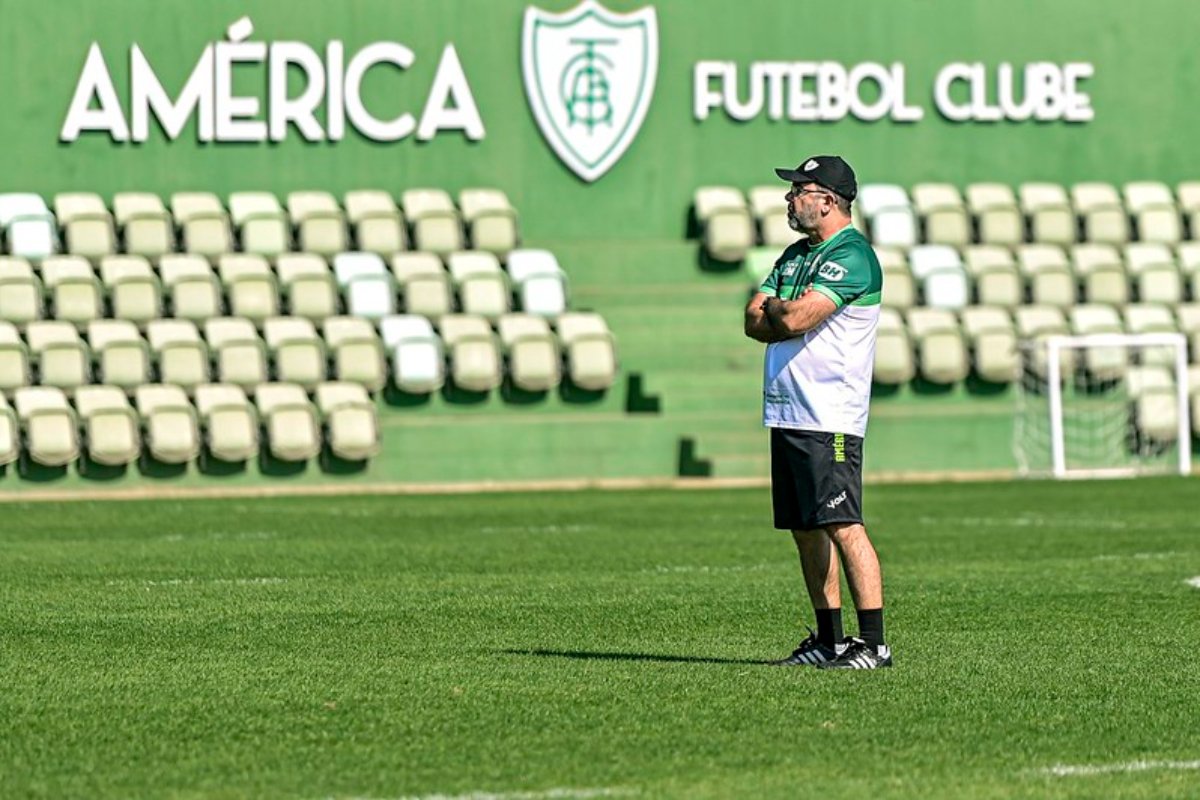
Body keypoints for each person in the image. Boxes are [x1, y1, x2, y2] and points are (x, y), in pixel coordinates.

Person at [743, 155, 892, 669]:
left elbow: (796, 316)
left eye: (798, 190)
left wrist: (783, 311)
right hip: (788, 412)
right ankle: (829, 641)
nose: (789, 198)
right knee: (806, 529)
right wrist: (783, 313)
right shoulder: (794, 254)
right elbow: (753, 318)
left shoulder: (852, 256)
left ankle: (873, 644)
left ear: (827, 200)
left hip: (829, 414)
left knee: (843, 524)